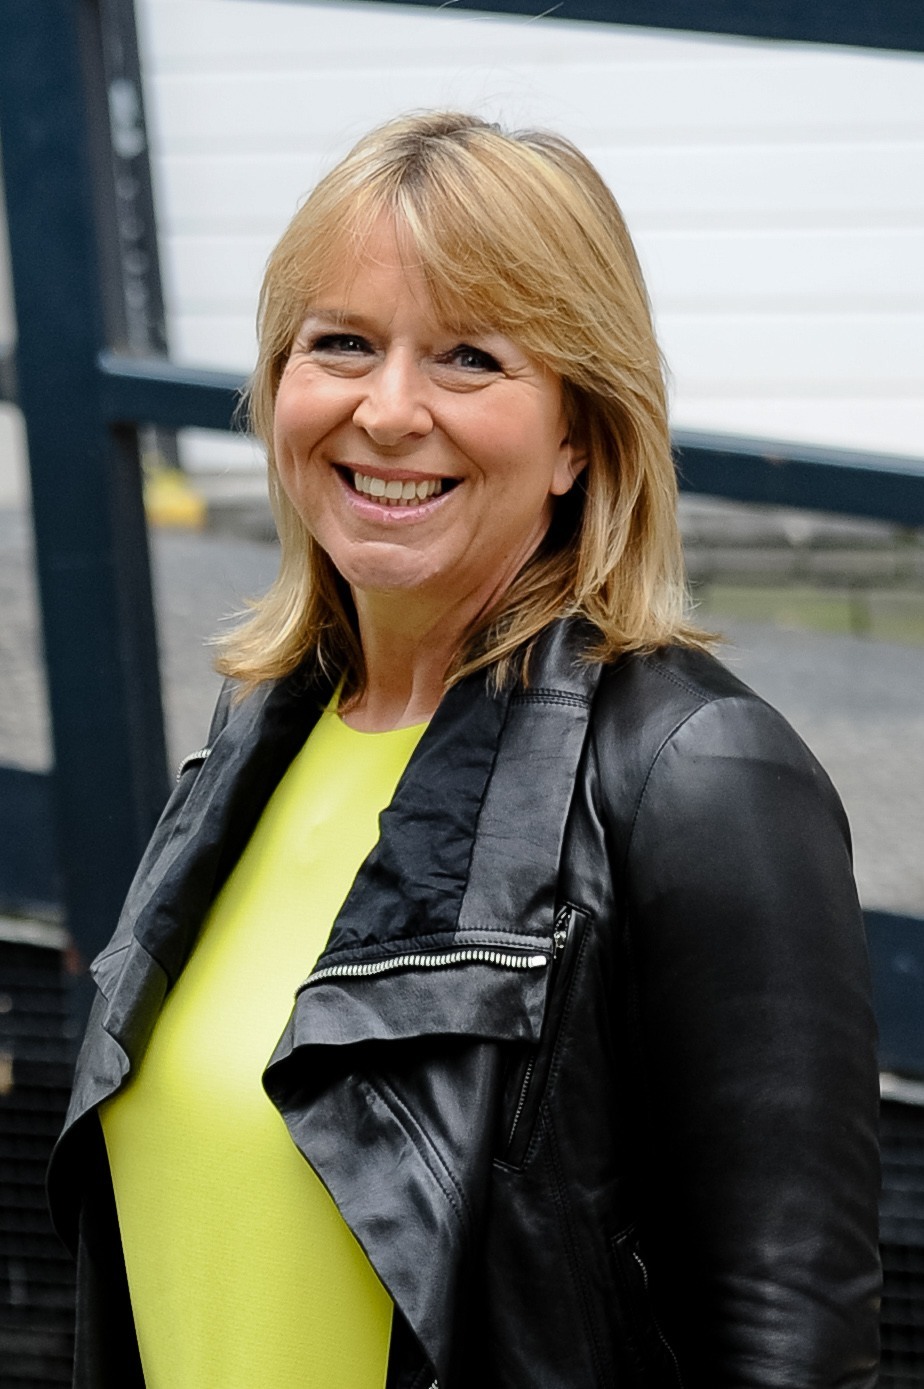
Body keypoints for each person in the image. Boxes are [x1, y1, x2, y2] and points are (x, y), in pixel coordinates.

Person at [49, 111, 880, 1388]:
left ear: (580, 437)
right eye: (341, 343)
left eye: (469, 358)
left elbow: (792, 1352)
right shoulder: (256, 740)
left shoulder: (699, 775)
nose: (388, 412)